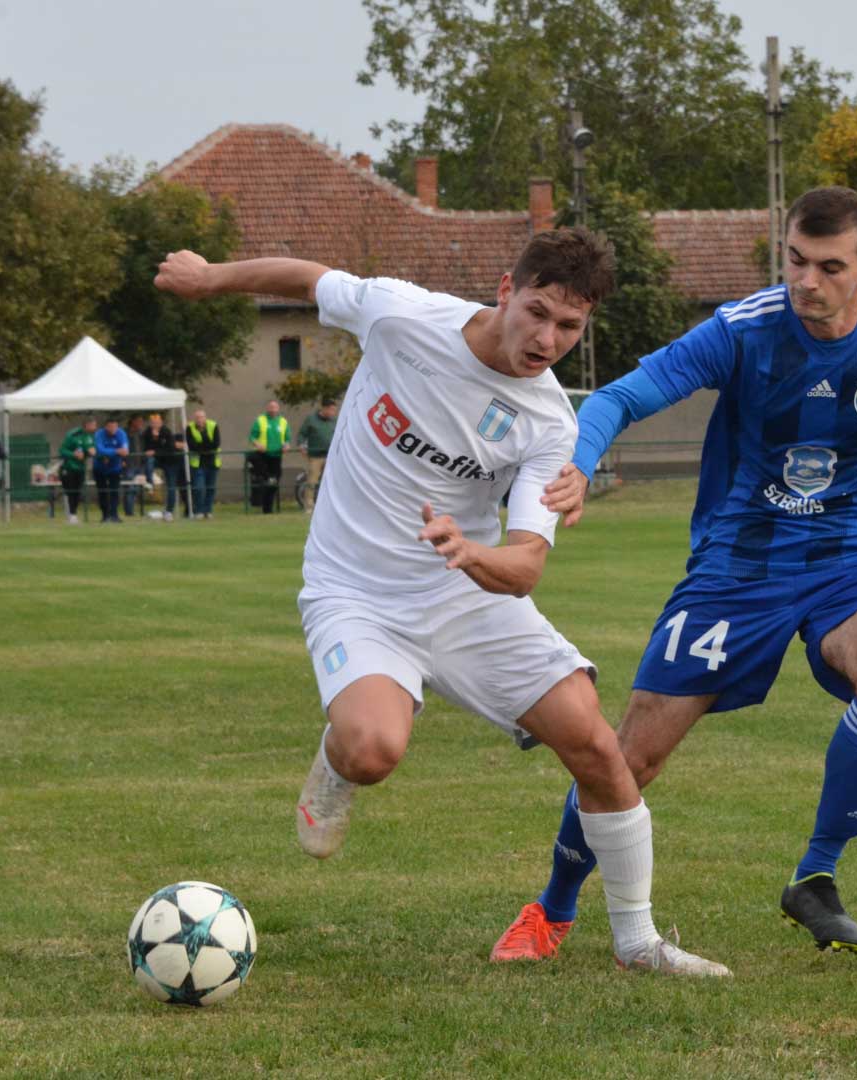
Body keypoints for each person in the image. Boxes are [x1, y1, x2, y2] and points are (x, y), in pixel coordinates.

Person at [491, 186, 857, 963]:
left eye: (829, 267)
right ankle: (553, 909)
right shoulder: (744, 329)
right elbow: (619, 398)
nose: (805, 282)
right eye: (795, 260)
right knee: (633, 755)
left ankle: (816, 875)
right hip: (738, 565)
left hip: (851, 559)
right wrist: (581, 464)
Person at [154, 228, 729, 977]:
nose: (547, 339)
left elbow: (525, 566)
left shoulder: (550, 423)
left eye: (569, 326)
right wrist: (209, 278)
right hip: (355, 589)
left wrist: (469, 553)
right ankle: (335, 764)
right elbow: (309, 276)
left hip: (468, 592)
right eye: (537, 313)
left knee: (594, 743)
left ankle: (638, 943)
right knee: (372, 749)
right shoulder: (404, 315)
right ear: (505, 290)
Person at [249, 400, 292, 513]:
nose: (273, 409)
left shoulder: (283, 421)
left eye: (275, 407)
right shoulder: (260, 420)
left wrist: (287, 445)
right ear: (267, 408)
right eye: (271, 407)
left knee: (274, 482)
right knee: (264, 480)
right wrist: (257, 444)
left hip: (276, 456)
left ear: (278, 409)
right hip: (263, 455)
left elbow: (287, 439)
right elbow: (252, 437)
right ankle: (260, 503)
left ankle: (268, 508)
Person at [296, 397, 339, 510]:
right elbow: (302, 434)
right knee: (312, 481)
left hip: (330, 456)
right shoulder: (311, 420)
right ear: (324, 408)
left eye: (334, 410)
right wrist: (301, 445)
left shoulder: (334, 421)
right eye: (331, 410)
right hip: (315, 456)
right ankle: (309, 505)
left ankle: (329, 505)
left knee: (330, 481)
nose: (333, 413)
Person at [144, 413, 184, 520]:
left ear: (161, 423)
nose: (155, 424)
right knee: (149, 461)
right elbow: (147, 448)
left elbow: (170, 448)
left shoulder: (167, 431)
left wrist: (155, 451)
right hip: (158, 460)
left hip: (171, 461)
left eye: (157, 422)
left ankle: (169, 511)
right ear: (150, 424)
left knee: (171, 486)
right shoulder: (147, 433)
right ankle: (149, 483)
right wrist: (154, 438)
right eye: (153, 423)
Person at [58, 417, 97, 524]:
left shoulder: (91, 436)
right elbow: (62, 450)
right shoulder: (73, 434)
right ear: (87, 425)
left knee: (77, 492)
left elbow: (90, 449)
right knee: (70, 491)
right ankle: (71, 515)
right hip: (69, 467)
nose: (95, 427)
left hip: (81, 468)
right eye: (93, 425)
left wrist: (92, 452)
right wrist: (73, 454)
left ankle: (72, 514)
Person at [93, 417, 130, 523]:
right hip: (100, 468)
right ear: (106, 427)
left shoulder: (121, 434)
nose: (113, 429)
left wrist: (109, 453)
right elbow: (100, 450)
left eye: (115, 427)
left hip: (115, 468)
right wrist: (116, 451)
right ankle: (105, 516)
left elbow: (125, 450)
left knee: (114, 492)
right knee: (102, 492)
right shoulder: (99, 434)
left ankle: (114, 515)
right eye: (110, 427)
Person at [186, 409, 221, 519]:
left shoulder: (213, 426)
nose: (199, 420)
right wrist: (205, 447)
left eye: (201, 417)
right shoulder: (190, 428)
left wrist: (202, 443)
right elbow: (192, 445)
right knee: (198, 488)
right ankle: (199, 511)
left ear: (205, 418)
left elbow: (216, 444)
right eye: (197, 418)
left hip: (212, 462)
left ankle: (208, 510)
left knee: (211, 488)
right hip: (198, 464)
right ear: (194, 419)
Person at [123, 414, 148, 517]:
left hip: (140, 465)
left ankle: (135, 510)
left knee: (137, 488)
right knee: (130, 488)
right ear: (133, 422)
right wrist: (123, 460)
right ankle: (129, 512)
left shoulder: (142, 434)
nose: (141, 423)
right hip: (129, 465)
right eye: (139, 421)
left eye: (142, 421)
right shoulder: (125, 433)